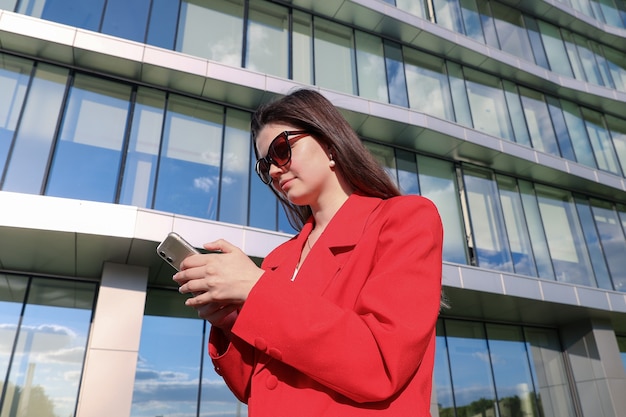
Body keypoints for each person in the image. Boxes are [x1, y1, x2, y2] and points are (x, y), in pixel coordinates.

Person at [173, 89, 443, 416]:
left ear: (329, 144)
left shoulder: (405, 219)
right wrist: (231, 320)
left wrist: (256, 291)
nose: (273, 171)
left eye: (282, 150)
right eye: (265, 165)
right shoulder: (278, 260)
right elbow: (252, 388)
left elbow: (381, 363)